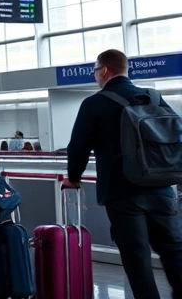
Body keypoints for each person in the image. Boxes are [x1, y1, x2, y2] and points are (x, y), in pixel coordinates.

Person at [64, 49, 182, 298]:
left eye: (95, 71)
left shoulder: (94, 103)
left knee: (136, 256)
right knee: (174, 249)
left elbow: (78, 148)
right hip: (162, 187)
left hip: (122, 192)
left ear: (104, 70)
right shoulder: (153, 97)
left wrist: (73, 177)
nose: (95, 76)